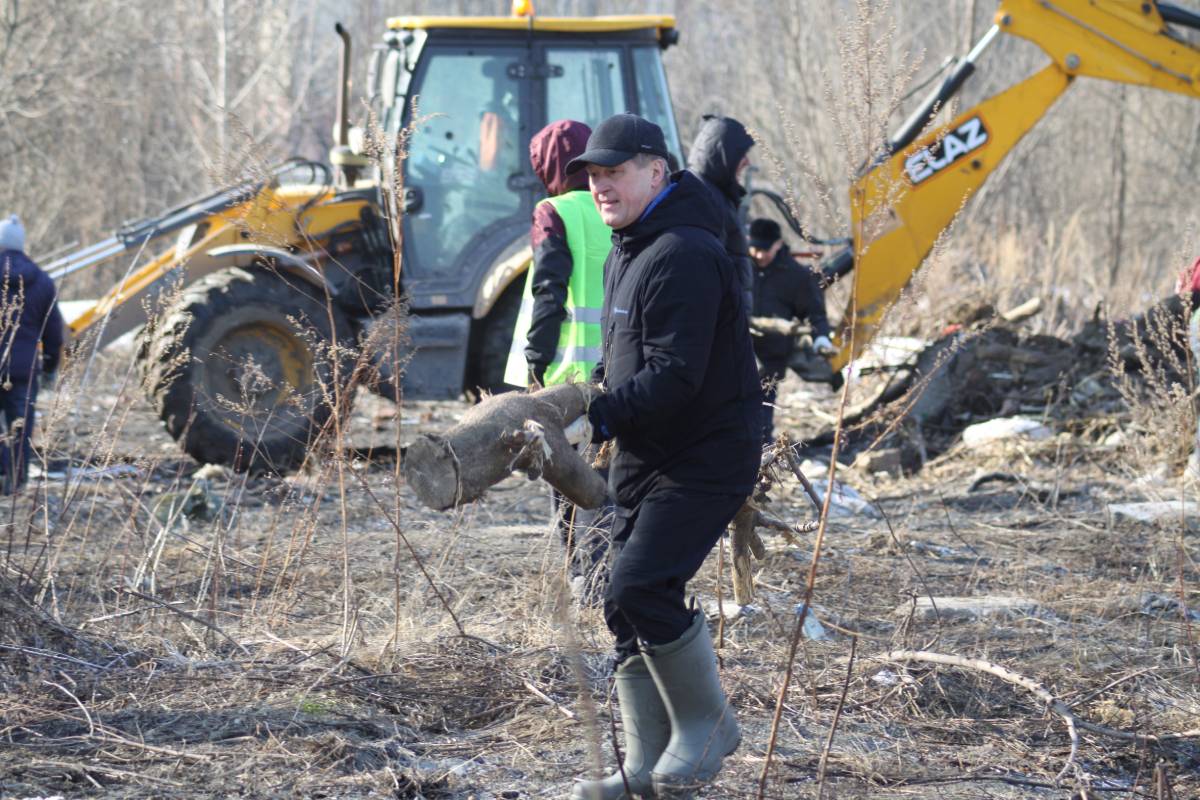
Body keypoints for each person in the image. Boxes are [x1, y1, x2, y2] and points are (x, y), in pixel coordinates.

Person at [566, 113, 759, 799]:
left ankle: (708, 728)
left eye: (615, 171)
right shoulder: (631, 244)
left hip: (706, 454)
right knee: (622, 606)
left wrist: (600, 411)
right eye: (593, 174)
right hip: (649, 451)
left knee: (639, 587)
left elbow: (676, 374)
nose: (600, 185)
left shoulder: (681, 250)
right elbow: (629, 360)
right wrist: (586, 397)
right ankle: (643, 771)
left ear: (657, 171)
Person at [503, 120, 615, 600]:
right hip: (616, 368)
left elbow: (548, 290)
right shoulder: (618, 206)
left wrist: (534, 362)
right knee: (609, 474)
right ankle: (606, 575)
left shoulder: (554, 212)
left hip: (566, 371)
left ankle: (585, 579)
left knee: (568, 480)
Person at [747, 217, 836, 444]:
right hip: (738, 350)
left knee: (762, 412)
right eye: (755, 248)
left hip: (771, 356)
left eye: (765, 250)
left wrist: (821, 338)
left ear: (778, 244)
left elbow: (815, 313)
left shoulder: (795, 275)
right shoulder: (739, 266)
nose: (758, 255)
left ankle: (761, 458)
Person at [0, 215, 64, 493]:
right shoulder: (42, 282)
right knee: (20, 429)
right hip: (24, 370)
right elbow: (53, 334)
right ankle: (15, 485)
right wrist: (50, 367)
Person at [687, 114, 755, 313]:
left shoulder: (715, 195)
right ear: (725, 154)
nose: (747, 162)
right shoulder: (705, 198)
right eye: (742, 153)